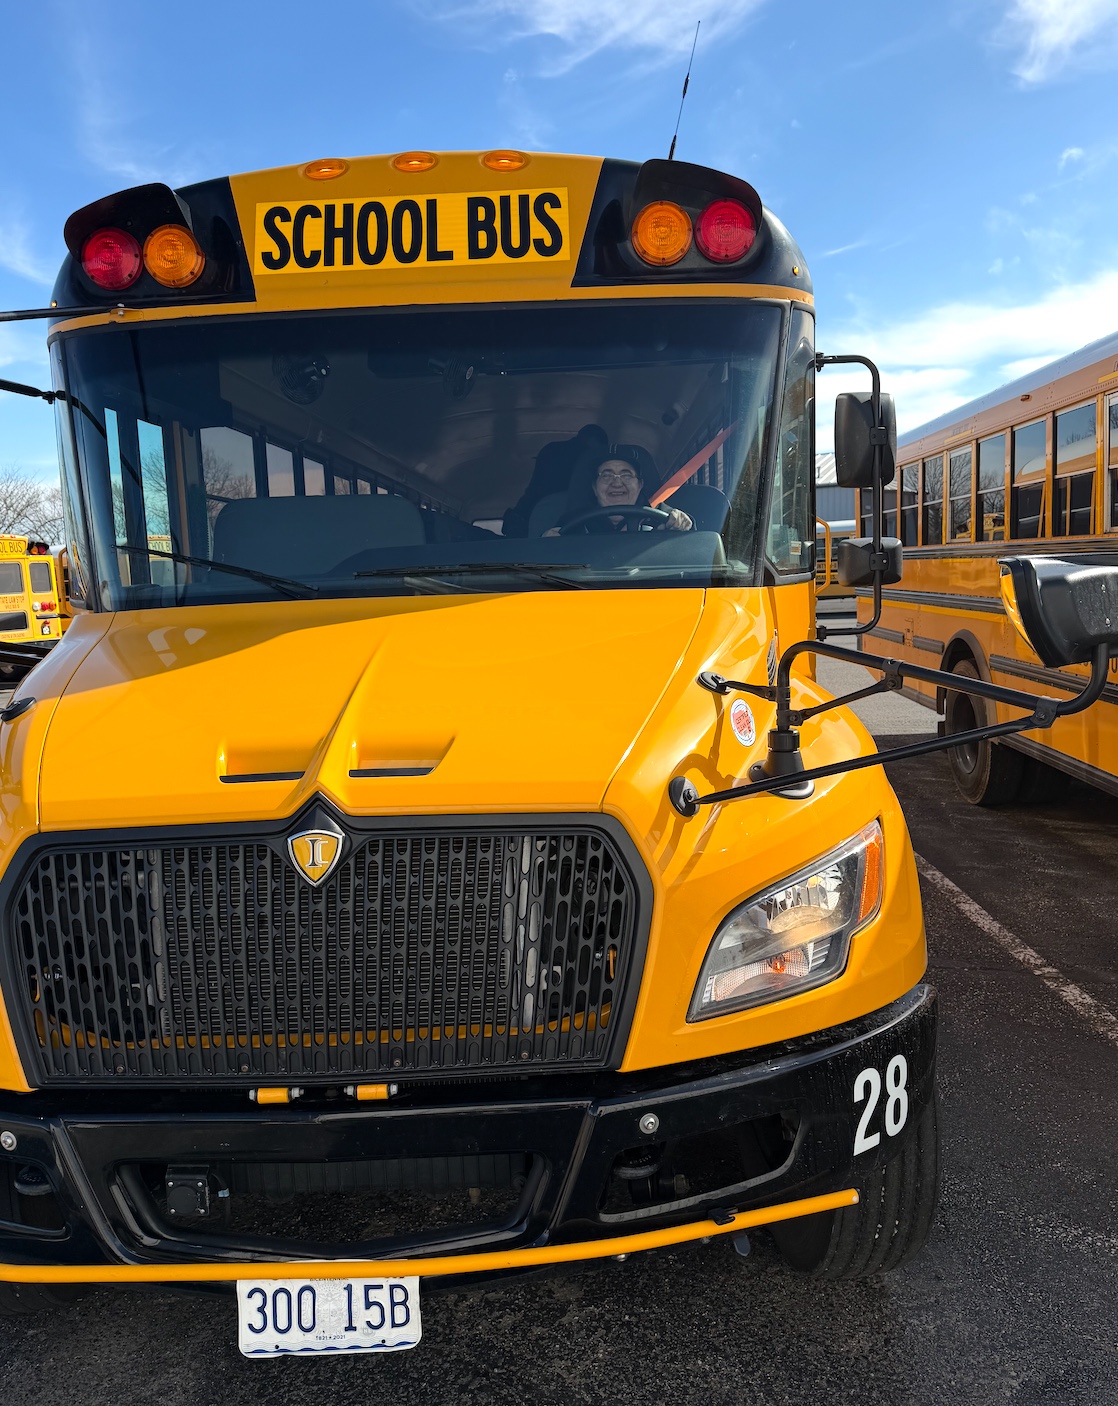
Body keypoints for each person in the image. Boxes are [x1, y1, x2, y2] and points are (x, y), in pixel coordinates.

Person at [545, 445, 693, 535]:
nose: (616, 482)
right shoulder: (572, 523)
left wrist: (684, 524)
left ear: (640, 485)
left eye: (626, 475)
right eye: (606, 475)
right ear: (594, 488)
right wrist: (547, 543)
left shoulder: (662, 515)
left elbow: (691, 548)